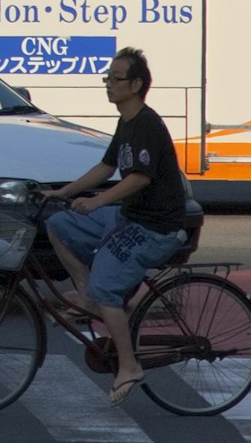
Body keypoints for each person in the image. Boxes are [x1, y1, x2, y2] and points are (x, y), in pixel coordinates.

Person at [45, 45, 190, 400]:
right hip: (130, 216)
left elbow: (139, 178)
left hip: (155, 227)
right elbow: (106, 167)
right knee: (59, 222)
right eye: (106, 77)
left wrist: (97, 202)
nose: (108, 83)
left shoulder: (146, 124)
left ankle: (129, 365)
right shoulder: (126, 121)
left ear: (136, 84)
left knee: (107, 286)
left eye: (116, 78)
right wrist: (62, 193)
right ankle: (85, 293)